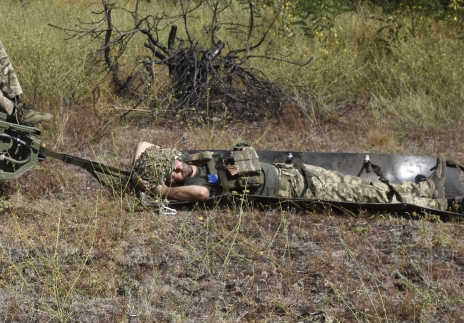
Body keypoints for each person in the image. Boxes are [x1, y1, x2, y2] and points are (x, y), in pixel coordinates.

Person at [130, 141, 450, 210]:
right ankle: (429, 197)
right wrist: (155, 189)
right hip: (292, 188)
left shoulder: (192, 160)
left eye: (171, 163)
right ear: (171, 181)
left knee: (357, 186)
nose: (177, 169)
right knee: (362, 192)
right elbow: (199, 196)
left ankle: (423, 191)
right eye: (171, 174)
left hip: (294, 171)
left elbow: (143, 144)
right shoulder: (195, 186)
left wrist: (146, 167)